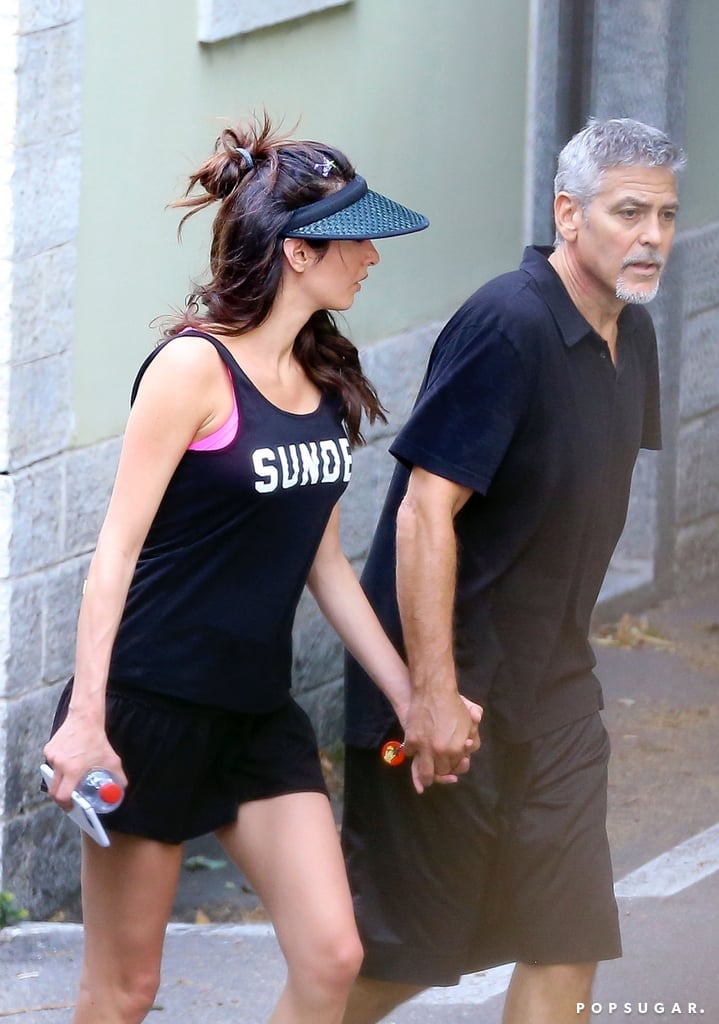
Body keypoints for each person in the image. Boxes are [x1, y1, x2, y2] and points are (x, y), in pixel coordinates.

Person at [42, 115, 473, 1024]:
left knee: (332, 956)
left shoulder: (318, 382)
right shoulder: (192, 370)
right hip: (147, 712)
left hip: (254, 717)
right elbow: (112, 556)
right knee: (123, 995)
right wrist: (86, 722)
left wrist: (413, 696)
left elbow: (321, 562)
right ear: (298, 253)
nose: (371, 257)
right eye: (356, 238)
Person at [341, 117, 685, 1024]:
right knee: (405, 955)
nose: (650, 235)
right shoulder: (508, 324)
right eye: (628, 212)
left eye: (665, 215)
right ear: (568, 215)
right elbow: (423, 512)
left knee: (566, 939)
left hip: (556, 693)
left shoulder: (629, 335)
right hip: (446, 690)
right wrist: (432, 694)